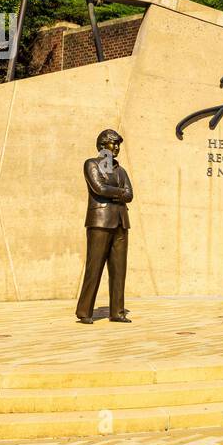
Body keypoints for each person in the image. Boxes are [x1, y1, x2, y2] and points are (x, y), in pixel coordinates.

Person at [75, 128, 134, 324]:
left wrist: (113, 192)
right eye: (112, 143)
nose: (116, 147)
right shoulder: (91, 164)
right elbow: (98, 188)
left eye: (118, 144)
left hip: (121, 222)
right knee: (95, 266)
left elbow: (130, 195)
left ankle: (117, 312)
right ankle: (85, 311)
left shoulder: (121, 170)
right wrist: (120, 193)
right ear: (102, 146)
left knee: (119, 270)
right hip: (100, 222)